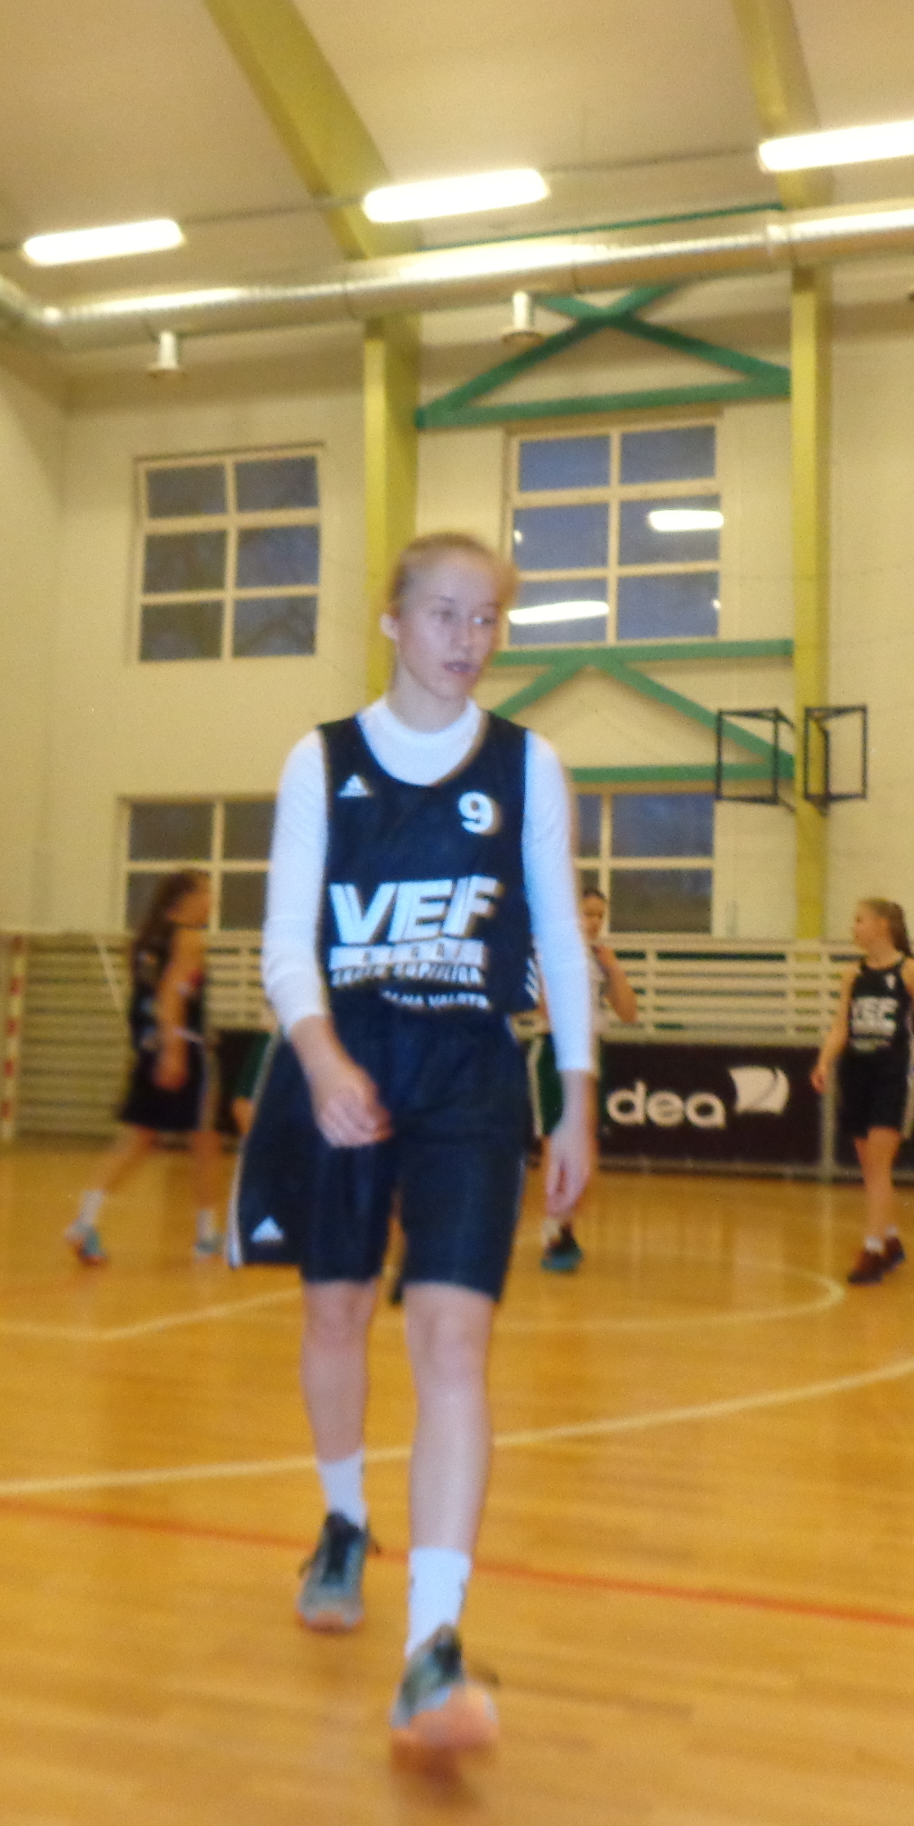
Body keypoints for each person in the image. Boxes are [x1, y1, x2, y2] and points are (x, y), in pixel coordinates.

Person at [238, 530, 595, 1754]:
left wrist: (579, 1093)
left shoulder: (529, 764)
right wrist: (321, 1058)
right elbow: (287, 942)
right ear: (392, 621)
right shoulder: (321, 760)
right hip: (345, 1058)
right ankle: (344, 1521)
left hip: (470, 1072)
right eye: (444, 613)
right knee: (335, 1312)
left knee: (454, 1338)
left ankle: (432, 1647)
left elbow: (558, 935)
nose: (467, 638)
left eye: (487, 617)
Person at [66, 869, 222, 1264]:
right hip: (180, 1043)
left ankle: (85, 1219)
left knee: (139, 1136)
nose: (212, 901)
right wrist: (175, 1050)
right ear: (185, 898)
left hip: (147, 1044)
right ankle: (207, 1233)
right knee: (205, 1138)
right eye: (206, 892)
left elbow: (145, 1001)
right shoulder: (189, 939)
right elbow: (172, 996)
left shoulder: (147, 940)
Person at [812, 898, 914, 1285]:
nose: (853, 927)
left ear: (882, 925)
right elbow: (841, 1026)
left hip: (894, 1075)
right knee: (869, 1168)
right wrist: (824, 1061)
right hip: (857, 1073)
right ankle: (890, 1240)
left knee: (878, 1165)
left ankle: (872, 1249)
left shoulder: (911, 972)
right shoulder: (852, 974)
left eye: (860, 920)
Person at [527, 887, 638, 1273]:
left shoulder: (599, 959)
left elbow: (628, 1013)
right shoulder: (549, 952)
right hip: (555, 1053)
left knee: (583, 1145)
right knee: (554, 1143)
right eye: (587, 913)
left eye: (599, 915)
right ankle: (554, 1231)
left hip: (591, 1055)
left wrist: (614, 970)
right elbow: (542, 1007)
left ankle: (566, 1225)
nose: (594, 922)